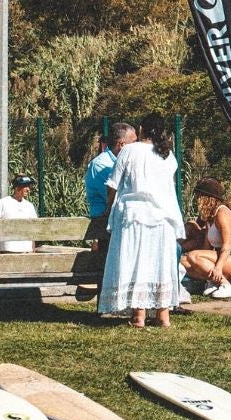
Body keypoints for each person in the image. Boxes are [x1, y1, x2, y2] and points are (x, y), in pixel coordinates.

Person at [99, 114, 183, 329]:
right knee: (159, 264)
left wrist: (108, 209)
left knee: (137, 262)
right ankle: (163, 316)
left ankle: (139, 316)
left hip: (135, 216)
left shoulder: (130, 150)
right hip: (162, 217)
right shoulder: (168, 155)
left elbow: (113, 185)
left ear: (142, 128)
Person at [181, 177, 231, 298]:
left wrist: (218, 268)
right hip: (222, 256)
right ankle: (213, 282)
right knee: (183, 262)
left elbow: (227, 245)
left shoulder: (222, 213)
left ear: (207, 198)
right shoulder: (209, 217)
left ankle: (226, 285)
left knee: (193, 256)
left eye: (199, 196)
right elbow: (207, 247)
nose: (197, 200)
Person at [84, 123, 133, 251]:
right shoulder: (101, 165)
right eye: (133, 142)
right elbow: (115, 196)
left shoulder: (122, 162)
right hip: (105, 229)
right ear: (122, 144)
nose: (136, 147)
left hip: (119, 226)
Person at [0, 174, 38, 254]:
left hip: (26, 250)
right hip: (8, 249)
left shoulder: (30, 206)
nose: (28, 189)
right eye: (25, 186)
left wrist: (33, 248)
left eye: (29, 186)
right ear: (17, 187)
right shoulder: (3, 202)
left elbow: (32, 228)